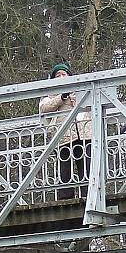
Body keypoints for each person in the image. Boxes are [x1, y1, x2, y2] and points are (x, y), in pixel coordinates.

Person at [39, 62, 93, 199]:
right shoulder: (50, 93)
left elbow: (92, 105)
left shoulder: (79, 89)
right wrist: (62, 97)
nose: (62, 77)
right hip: (64, 135)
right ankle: (65, 196)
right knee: (65, 166)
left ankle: (88, 194)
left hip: (83, 132)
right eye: (58, 75)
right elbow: (44, 107)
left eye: (64, 74)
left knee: (86, 165)